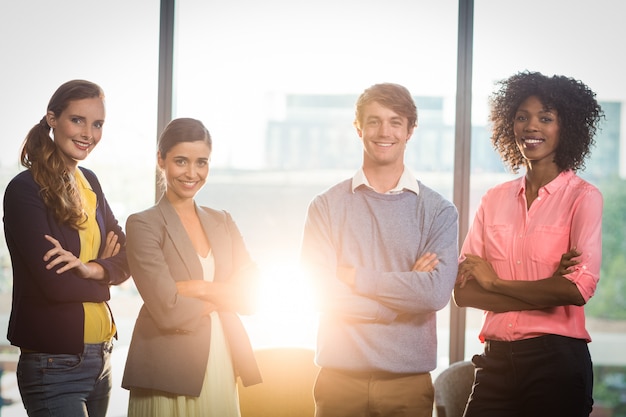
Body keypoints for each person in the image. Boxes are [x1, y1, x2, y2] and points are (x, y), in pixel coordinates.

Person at [300, 82, 459, 417]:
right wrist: (399, 302)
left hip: (407, 384)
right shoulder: (326, 207)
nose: (383, 131)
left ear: (410, 130)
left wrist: (356, 277)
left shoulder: (439, 211)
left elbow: (433, 295)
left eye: (395, 121)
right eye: (373, 121)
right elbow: (320, 293)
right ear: (358, 128)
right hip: (338, 381)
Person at [454, 71, 604, 417]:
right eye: (522, 117)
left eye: (545, 118)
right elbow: (464, 293)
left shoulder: (584, 198)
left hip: (557, 363)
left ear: (566, 127)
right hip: (495, 363)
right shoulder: (494, 199)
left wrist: (494, 282)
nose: (530, 126)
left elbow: (576, 290)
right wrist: (548, 287)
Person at [2, 79, 131, 416]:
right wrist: (106, 274)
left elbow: (127, 257)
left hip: (101, 359)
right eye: (77, 120)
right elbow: (55, 284)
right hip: (53, 363)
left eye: (97, 124)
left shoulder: (90, 182)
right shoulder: (25, 190)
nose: (88, 133)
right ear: (52, 119)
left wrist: (88, 267)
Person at [121, 117, 262, 417]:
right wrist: (226, 294)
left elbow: (252, 296)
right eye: (181, 161)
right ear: (161, 160)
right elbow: (168, 310)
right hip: (166, 370)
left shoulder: (222, 220)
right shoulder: (143, 224)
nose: (192, 173)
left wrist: (201, 289)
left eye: (202, 162)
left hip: (221, 359)